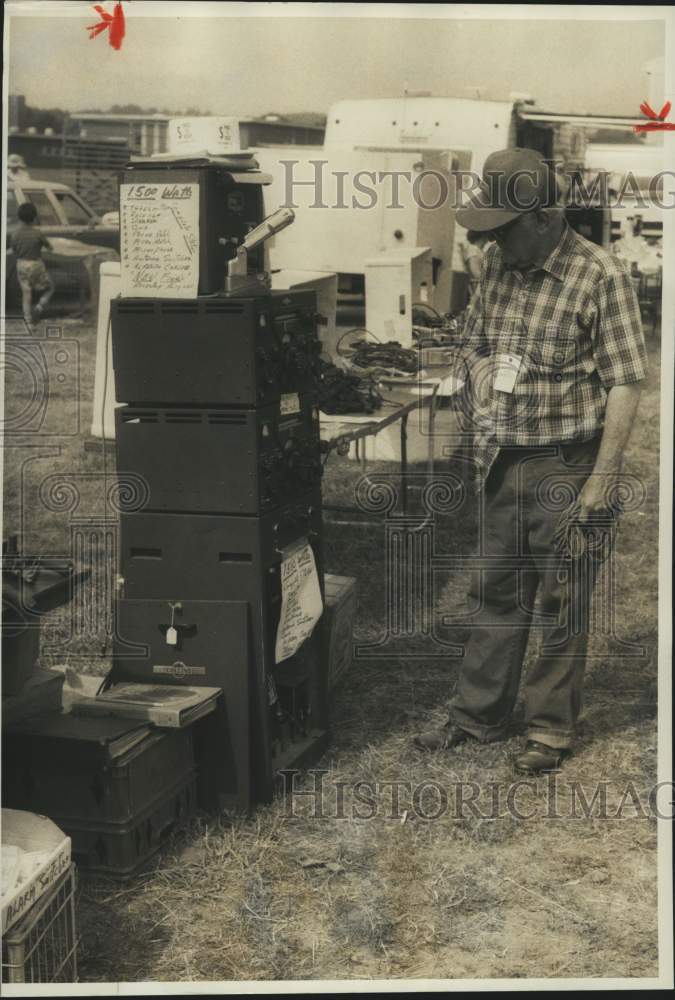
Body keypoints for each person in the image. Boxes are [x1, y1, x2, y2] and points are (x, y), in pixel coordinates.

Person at [414, 147, 647, 773]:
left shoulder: (601, 276)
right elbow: (479, 342)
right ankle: (478, 715)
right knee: (496, 592)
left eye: (502, 227)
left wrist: (603, 476)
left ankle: (548, 728)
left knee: (562, 599)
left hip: (568, 466)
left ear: (546, 218)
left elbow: (625, 381)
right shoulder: (497, 264)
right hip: (502, 461)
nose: (491, 240)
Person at [11, 201, 55, 327]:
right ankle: (40, 307)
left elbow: (14, 250)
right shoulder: (38, 233)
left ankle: (28, 321)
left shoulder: (15, 234)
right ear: (35, 217)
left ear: (19, 218)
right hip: (36, 264)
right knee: (50, 287)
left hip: (21, 265)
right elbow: (50, 248)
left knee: (26, 293)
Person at [461, 229, 490, 302]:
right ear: (482, 236)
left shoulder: (479, 250)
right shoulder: (473, 249)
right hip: (478, 286)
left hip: (482, 284)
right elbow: (475, 272)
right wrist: (490, 278)